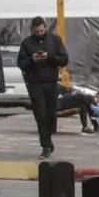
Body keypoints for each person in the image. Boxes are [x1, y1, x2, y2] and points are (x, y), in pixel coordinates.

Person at [17, 17, 69, 159]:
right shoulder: (27, 43)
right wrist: (32, 60)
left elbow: (64, 59)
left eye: (42, 30)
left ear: (45, 27)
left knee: (51, 113)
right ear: (33, 30)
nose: (40, 33)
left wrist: (50, 57)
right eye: (37, 31)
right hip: (35, 83)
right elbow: (20, 63)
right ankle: (45, 145)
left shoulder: (55, 40)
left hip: (51, 82)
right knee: (41, 114)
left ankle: (49, 138)